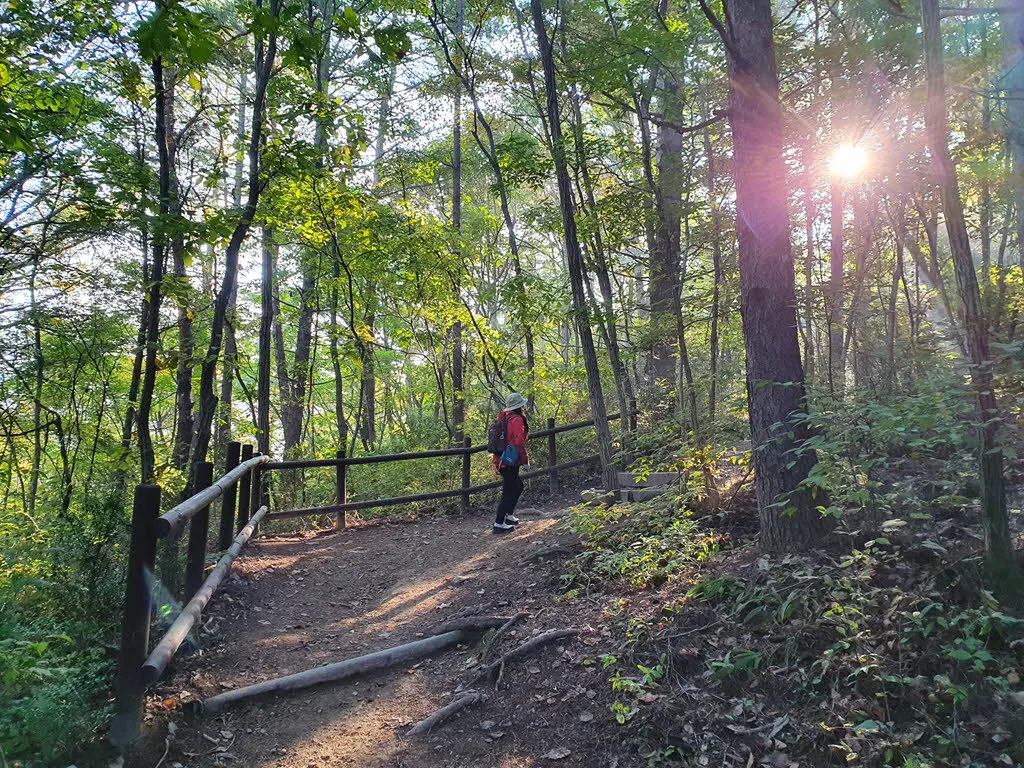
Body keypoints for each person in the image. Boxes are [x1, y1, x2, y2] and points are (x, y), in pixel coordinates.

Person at [493, 393, 529, 533]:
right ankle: (499, 523)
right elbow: (518, 442)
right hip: (509, 460)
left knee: (513, 487)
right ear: (519, 406)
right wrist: (525, 460)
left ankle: (508, 517)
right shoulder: (516, 420)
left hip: (502, 459)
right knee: (512, 489)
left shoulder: (504, 417)